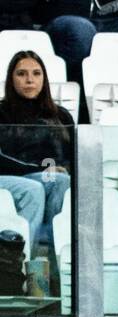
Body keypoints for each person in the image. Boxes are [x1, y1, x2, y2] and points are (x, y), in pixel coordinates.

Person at [0, 51, 74, 250]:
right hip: (7, 177)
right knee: (33, 189)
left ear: (44, 78)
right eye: (21, 74)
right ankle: (23, 260)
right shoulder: (1, 112)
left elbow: (75, 157)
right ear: (11, 79)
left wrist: (64, 169)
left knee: (62, 182)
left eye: (36, 73)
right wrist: (42, 169)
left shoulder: (61, 116)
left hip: (45, 176)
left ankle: (56, 255)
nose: (30, 80)